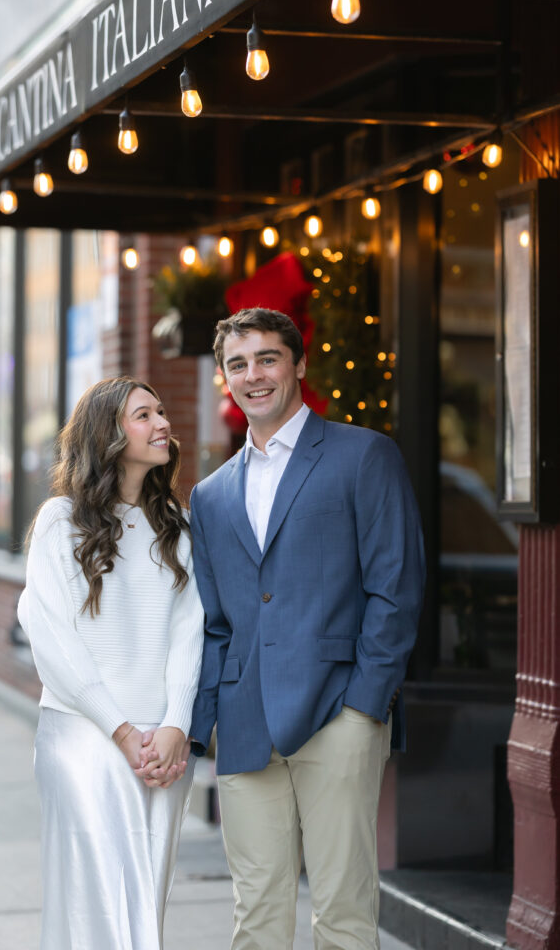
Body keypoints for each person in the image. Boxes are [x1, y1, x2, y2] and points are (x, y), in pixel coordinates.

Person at [187, 308, 425, 950]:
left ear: (296, 364)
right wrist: (198, 729)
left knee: (344, 913)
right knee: (256, 915)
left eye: (267, 358)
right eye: (238, 364)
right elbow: (214, 625)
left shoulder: (363, 455)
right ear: (224, 378)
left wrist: (365, 706)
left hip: (337, 713)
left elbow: (395, 589)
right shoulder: (208, 496)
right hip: (244, 724)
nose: (253, 375)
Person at [17, 376, 204, 950]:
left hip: (163, 746)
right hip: (85, 736)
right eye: (143, 415)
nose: (162, 423)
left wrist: (175, 724)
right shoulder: (60, 520)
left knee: (146, 903)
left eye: (161, 411)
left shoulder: (176, 526)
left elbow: (188, 631)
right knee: (93, 905)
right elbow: (52, 638)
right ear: (108, 435)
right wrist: (121, 730)